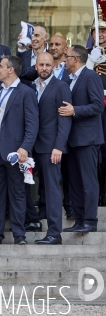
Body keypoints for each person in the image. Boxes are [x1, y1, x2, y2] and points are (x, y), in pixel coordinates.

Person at [0, 56, 39, 245]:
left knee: (17, 192)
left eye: (0, 66)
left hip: (16, 150)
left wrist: (25, 147)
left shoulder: (25, 92)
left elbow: (32, 124)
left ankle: (19, 234)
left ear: (11, 70)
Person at [60, 45, 104, 234]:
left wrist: (75, 110)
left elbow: (97, 106)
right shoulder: (68, 78)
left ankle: (90, 220)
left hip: (87, 139)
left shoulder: (91, 77)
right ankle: (79, 219)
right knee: (75, 182)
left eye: (67, 56)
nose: (64, 59)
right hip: (71, 139)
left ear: (75, 58)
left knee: (88, 181)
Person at [33, 52, 72, 245]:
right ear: (36, 66)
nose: (45, 68)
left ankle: (54, 233)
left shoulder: (61, 87)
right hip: (32, 147)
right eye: (41, 65)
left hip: (51, 148)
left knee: (52, 190)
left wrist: (59, 146)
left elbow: (64, 120)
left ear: (53, 67)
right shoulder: (32, 86)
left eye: (48, 65)